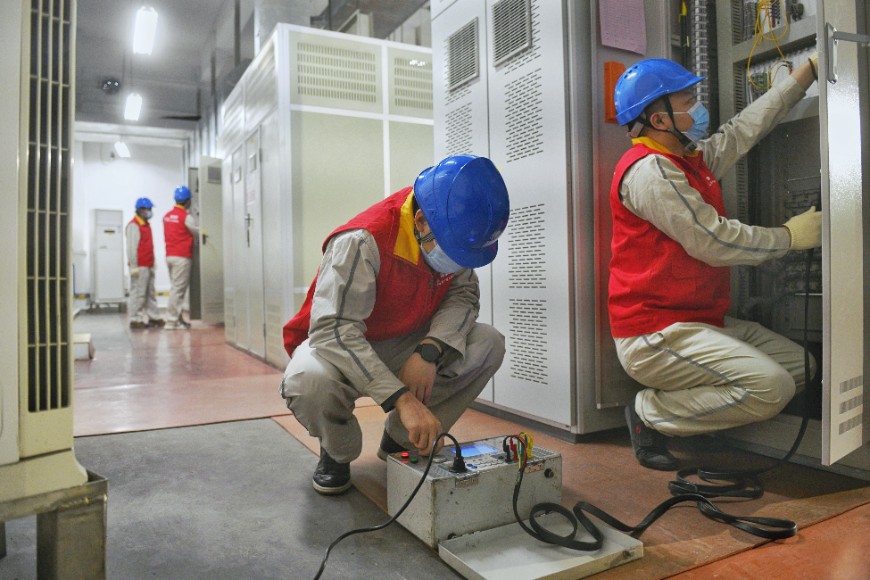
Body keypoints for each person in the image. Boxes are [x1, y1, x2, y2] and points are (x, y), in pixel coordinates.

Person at [609, 55, 821, 470]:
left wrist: (805, 74)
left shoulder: (688, 160)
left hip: (701, 321)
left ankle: (686, 415)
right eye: (688, 99)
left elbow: (742, 131)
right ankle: (650, 413)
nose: (697, 106)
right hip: (655, 332)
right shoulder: (651, 173)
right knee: (771, 388)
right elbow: (713, 242)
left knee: (801, 367)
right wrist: (790, 237)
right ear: (660, 120)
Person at [280, 155, 510, 495]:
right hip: (342, 346)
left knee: (488, 343)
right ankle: (337, 451)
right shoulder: (361, 241)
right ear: (420, 221)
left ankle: (401, 442)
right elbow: (335, 332)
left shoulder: (448, 231)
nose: (458, 262)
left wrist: (429, 351)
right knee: (307, 381)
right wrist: (403, 400)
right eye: (455, 253)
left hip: (407, 341)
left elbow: (463, 295)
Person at [163, 185, 200, 330]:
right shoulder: (186, 217)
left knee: (175, 288)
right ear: (187, 201)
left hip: (170, 256)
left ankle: (177, 318)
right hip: (182, 257)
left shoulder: (167, 216)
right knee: (178, 290)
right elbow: (196, 232)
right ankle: (171, 321)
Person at [125, 197, 163, 329]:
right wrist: (133, 266)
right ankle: (135, 318)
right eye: (148, 209)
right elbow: (131, 247)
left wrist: (154, 262)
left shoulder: (145, 225)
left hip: (148, 264)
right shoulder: (133, 225)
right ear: (140, 210)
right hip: (140, 266)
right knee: (138, 293)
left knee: (150, 293)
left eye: (150, 209)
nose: (150, 211)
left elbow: (148, 246)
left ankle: (154, 317)